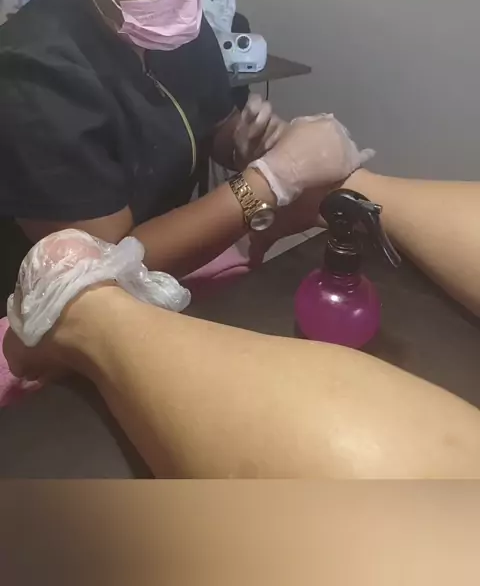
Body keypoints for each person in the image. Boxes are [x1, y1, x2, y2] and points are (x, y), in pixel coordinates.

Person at [0, 0, 369, 307]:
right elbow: (105, 269)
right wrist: (269, 180)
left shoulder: (178, 27)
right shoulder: (32, 75)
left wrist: (246, 143)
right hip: (67, 315)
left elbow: (213, 123)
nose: (189, 1)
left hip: (169, 282)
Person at [5, 167, 480, 479]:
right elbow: (115, 238)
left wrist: (242, 135)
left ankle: (80, 309)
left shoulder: (188, 55)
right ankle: (353, 186)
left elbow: (214, 115)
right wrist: (272, 180)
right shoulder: (42, 75)